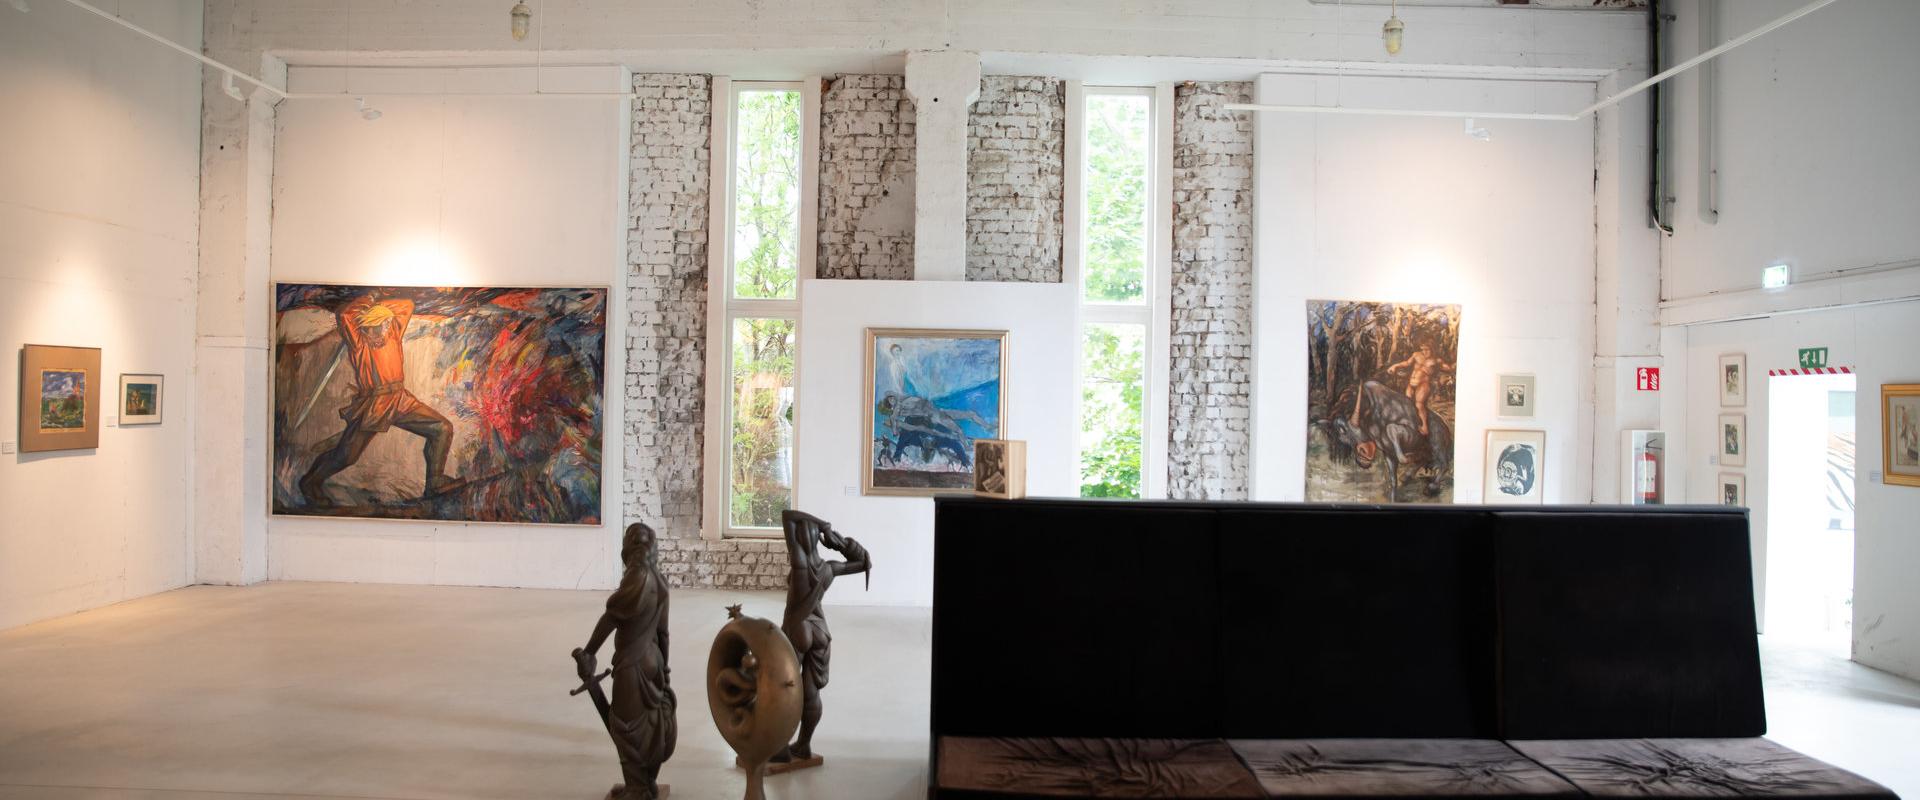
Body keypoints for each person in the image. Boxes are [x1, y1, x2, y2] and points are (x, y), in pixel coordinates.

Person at [298, 290, 456, 505]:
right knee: (346, 457)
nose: (383, 330)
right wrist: (367, 300)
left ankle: (434, 483)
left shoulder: (393, 333)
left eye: (385, 324)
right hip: (375, 404)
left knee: (442, 428)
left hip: (400, 399)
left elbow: (407, 305)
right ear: (368, 327)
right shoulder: (359, 342)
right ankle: (310, 482)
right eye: (379, 326)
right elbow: (344, 315)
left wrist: (378, 302)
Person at [574, 523, 677, 800]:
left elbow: (612, 617)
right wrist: (665, 671)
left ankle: (637, 789)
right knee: (650, 725)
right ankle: (647, 782)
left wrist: (589, 652)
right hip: (653, 660)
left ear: (629, 547)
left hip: (633, 664)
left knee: (626, 726)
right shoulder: (659, 580)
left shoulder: (637, 576)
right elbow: (663, 634)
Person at [774, 510, 871, 763]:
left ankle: (781, 746)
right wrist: (838, 542)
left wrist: (823, 525)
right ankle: (803, 745)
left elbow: (787, 516)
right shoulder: (829, 569)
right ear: (817, 540)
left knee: (785, 687)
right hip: (820, 630)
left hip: (799, 629)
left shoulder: (799, 563)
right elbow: (862, 563)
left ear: (799, 540)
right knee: (811, 693)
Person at [1383, 342, 1453, 436]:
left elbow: (1448, 368)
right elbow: (1407, 363)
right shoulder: (1416, 355)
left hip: (1423, 384)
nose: (1424, 352)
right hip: (1411, 384)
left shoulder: (1436, 360)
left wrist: (1449, 370)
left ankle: (1425, 427)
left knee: (1419, 405)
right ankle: (1409, 423)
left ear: (1432, 349)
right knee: (1407, 403)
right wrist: (1395, 366)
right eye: (1422, 349)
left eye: (1427, 349)